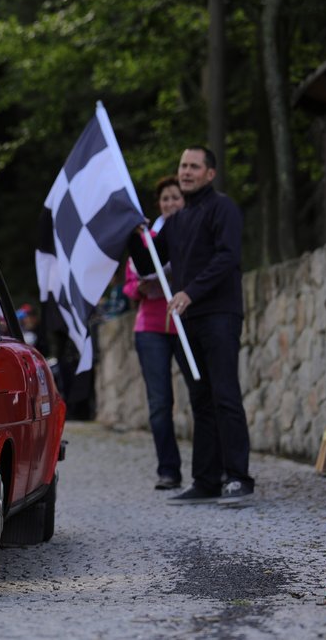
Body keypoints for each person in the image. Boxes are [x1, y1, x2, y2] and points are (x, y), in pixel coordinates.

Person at [130, 146, 254, 505]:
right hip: (188, 322)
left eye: (193, 167)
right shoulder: (176, 221)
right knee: (200, 399)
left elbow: (228, 257)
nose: (185, 171)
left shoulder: (223, 209)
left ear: (209, 174)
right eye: (182, 165)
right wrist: (132, 233)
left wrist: (191, 292)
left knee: (225, 394)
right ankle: (206, 480)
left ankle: (238, 477)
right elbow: (147, 263)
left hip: (220, 315)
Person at [123, 176, 187, 490]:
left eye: (175, 197)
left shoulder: (191, 234)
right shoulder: (145, 239)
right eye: (165, 199)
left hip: (185, 323)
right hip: (150, 327)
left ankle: (211, 469)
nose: (170, 203)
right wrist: (141, 288)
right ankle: (168, 470)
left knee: (201, 395)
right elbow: (129, 284)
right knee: (160, 403)